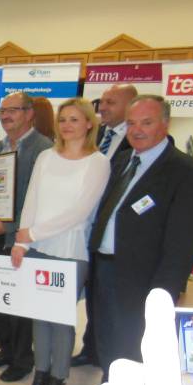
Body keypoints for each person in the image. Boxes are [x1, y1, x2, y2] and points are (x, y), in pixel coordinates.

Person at [79, 95, 193, 385]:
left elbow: (185, 241)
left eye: (146, 123)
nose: (137, 130)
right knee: (106, 335)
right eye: (132, 123)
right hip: (104, 266)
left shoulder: (185, 171)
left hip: (144, 277)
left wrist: (163, 292)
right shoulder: (123, 160)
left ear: (165, 124)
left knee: (134, 341)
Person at [11, 98, 110, 385]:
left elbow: (79, 212)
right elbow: (31, 200)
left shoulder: (98, 162)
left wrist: (33, 233)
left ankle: (58, 379)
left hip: (70, 251)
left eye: (75, 119)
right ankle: (40, 374)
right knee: (39, 316)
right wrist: (22, 242)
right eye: (63, 119)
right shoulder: (46, 156)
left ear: (89, 124)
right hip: (38, 249)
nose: (67, 125)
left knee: (61, 320)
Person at [0, 92, 53, 382]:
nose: (5, 116)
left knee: (20, 302)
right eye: (3, 110)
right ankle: (5, 350)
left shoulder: (45, 149)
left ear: (29, 114)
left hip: (21, 239)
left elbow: (41, 201)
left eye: (13, 110)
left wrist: (7, 227)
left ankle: (22, 359)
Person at [72, 84, 138, 368]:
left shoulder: (136, 142)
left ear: (130, 105)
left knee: (113, 304)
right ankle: (92, 349)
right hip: (87, 230)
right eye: (102, 102)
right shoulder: (96, 134)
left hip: (117, 236)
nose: (103, 107)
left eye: (111, 102)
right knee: (94, 297)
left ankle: (113, 361)